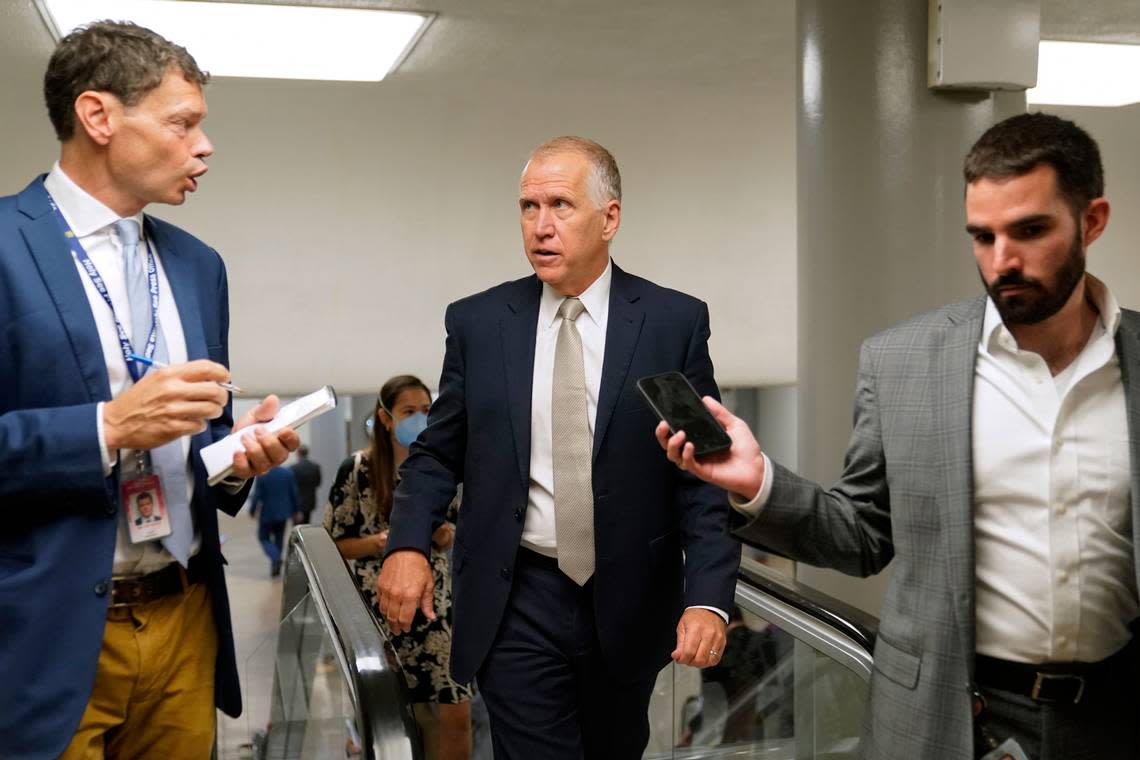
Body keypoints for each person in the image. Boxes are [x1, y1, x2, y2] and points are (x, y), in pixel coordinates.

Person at [658, 113, 1140, 759]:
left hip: (1117, 715)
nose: (1003, 261)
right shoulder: (905, 362)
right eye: (983, 236)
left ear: (1093, 220)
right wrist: (759, 484)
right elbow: (861, 536)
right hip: (953, 716)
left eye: (1030, 231)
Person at [378, 136, 741, 759]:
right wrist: (408, 543)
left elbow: (702, 474)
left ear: (611, 217)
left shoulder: (670, 324)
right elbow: (439, 451)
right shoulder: (479, 323)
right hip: (517, 592)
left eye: (561, 206)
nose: (541, 227)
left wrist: (707, 598)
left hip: (628, 597)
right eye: (528, 206)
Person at [0, 21, 299, 760]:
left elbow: (201, 446)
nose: (205, 146)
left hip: (186, 618)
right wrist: (104, 429)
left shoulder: (201, 266)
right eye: (183, 122)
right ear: (98, 117)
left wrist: (240, 455)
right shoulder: (4, 245)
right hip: (46, 633)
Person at [325, 375, 472, 760]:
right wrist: (382, 543)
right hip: (380, 614)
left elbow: (459, 524)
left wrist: (444, 535)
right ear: (386, 418)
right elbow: (334, 542)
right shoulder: (357, 470)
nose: (420, 419)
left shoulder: (443, 468)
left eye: (427, 411)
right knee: (389, 720)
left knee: (457, 715)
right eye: (410, 412)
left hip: (437, 611)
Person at [250, 465, 300, 577]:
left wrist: (252, 510)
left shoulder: (263, 474)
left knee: (263, 537)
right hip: (283, 513)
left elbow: (257, 494)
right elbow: (294, 493)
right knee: (279, 539)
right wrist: (296, 510)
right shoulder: (288, 473)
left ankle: (276, 558)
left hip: (267, 512)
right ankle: (275, 568)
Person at [290, 444, 322, 524]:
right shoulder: (315, 467)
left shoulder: (293, 468)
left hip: (297, 501)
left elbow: (291, 487)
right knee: (307, 523)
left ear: (298, 453)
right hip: (310, 500)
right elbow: (318, 483)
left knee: (296, 526)